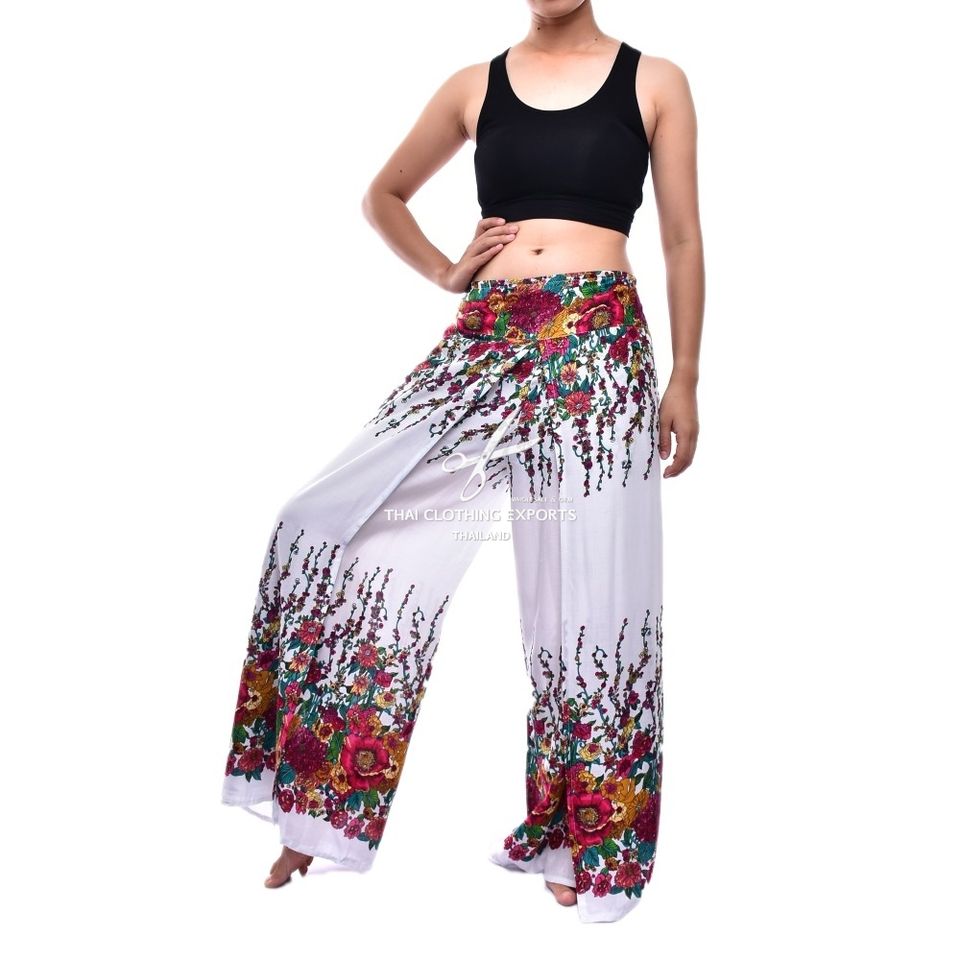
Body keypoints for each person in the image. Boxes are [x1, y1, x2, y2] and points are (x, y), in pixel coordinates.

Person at [221, 0, 703, 925]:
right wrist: (448, 270)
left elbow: (681, 237)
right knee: (321, 523)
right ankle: (317, 806)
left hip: (600, 347)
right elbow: (383, 196)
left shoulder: (654, 81)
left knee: (588, 597)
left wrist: (685, 375)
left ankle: (581, 840)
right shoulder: (472, 86)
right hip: (486, 340)